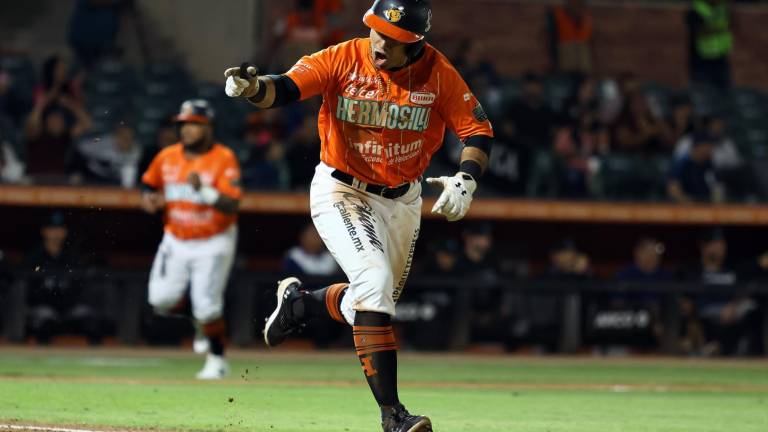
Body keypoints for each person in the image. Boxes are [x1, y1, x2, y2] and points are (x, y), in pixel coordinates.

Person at [224, 1, 493, 430]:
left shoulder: (438, 72)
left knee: (372, 301)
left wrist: (467, 178)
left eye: (396, 39)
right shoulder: (342, 57)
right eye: (377, 31)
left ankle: (300, 307)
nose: (382, 43)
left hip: (403, 200)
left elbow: (477, 129)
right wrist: (254, 88)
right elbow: (285, 88)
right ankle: (393, 416)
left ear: (416, 42)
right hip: (342, 188)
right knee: (376, 286)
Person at [140, 99, 242, 380]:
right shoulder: (167, 156)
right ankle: (198, 320)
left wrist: (206, 192)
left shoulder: (224, 157)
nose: (186, 130)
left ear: (208, 127)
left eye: (193, 124)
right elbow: (148, 185)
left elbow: (233, 204)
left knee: (208, 306)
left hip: (214, 238)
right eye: (183, 124)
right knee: (160, 300)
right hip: (175, 237)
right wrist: (149, 200)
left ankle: (217, 359)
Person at [24, 212, 102, 344]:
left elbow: (80, 287)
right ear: (44, 231)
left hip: (69, 307)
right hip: (43, 307)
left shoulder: (72, 257)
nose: (56, 233)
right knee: (44, 322)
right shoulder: (34, 258)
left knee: (91, 321)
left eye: (60, 228)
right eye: (52, 228)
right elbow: (29, 290)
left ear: (65, 231)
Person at [69, 123, 142, 187]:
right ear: (115, 136)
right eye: (122, 136)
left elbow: (129, 176)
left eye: (129, 137)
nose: (125, 140)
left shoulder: (136, 151)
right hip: (92, 177)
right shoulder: (103, 142)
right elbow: (80, 148)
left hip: (114, 182)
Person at [687, 0, 733, 89]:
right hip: (702, 60)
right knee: (703, 93)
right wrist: (719, 30)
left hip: (721, 57)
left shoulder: (722, 8)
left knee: (724, 92)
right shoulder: (697, 10)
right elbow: (698, 31)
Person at [667, 132, 724, 203]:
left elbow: (716, 186)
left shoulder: (709, 163)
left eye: (710, 147)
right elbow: (673, 188)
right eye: (707, 147)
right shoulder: (683, 163)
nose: (710, 151)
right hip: (685, 207)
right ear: (697, 147)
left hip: (706, 206)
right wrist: (686, 201)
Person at [506, 72, 556, 150]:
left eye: (535, 85)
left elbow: (553, 131)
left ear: (541, 88)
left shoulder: (547, 109)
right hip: (518, 147)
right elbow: (508, 130)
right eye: (529, 85)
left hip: (541, 148)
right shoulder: (514, 107)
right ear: (523, 87)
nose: (532, 89)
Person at [547, 0, 594, 75]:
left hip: (583, 68)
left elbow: (590, 44)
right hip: (564, 66)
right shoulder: (557, 16)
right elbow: (551, 41)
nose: (577, 5)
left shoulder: (587, 19)